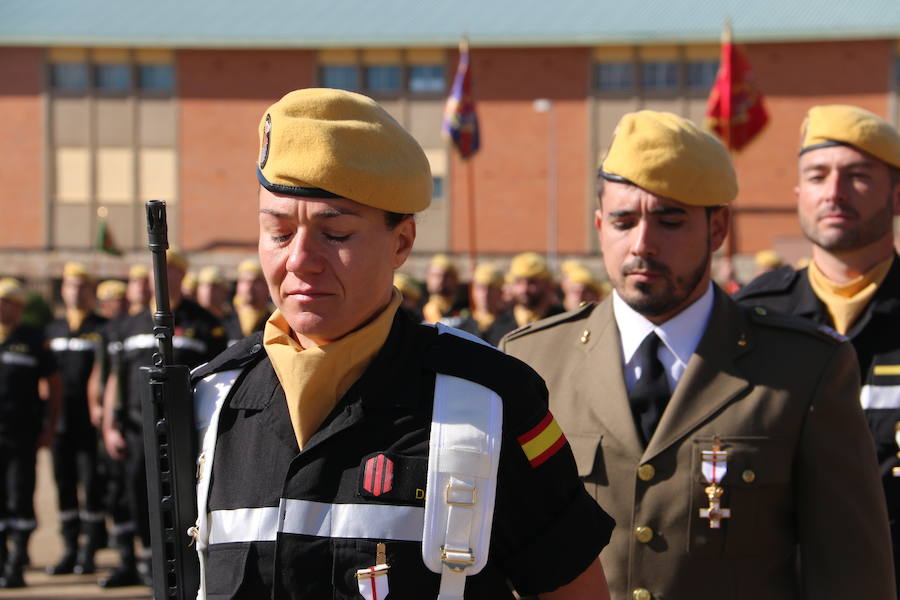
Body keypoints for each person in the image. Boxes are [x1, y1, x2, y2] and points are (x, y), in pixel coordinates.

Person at [188, 88, 613, 600]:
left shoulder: (489, 400)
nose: (299, 260)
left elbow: (572, 588)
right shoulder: (211, 401)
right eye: (278, 233)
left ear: (402, 242)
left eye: (336, 235)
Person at [502, 110, 896, 599]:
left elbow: (850, 571)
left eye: (670, 221)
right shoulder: (532, 361)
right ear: (600, 225)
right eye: (623, 221)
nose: (642, 244)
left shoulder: (803, 369)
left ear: (717, 229)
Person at [737, 104, 900, 590]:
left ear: (896, 194)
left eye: (857, 176)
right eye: (817, 175)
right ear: (798, 194)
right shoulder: (753, 318)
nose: (834, 192)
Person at [102, 249, 226, 586]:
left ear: (182, 277)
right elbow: (116, 376)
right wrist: (109, 426)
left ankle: (184, 563)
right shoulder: (131, 323)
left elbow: (219, 379)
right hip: (135, 427)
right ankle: (145, 561)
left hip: (185, 430)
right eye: (159, 271)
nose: (164, 277)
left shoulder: (204, 322)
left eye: (171, 271)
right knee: (136, 493)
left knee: (183, 496)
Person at [44, 263, 108, 576]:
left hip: (90, 425)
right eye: (70, 286)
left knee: (92, 486)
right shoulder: (53, 329)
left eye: (82, 286)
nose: (75, 292)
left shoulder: (103, 328)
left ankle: (91, 551)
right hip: (61, 423)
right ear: (62, 291)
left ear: (91, 292)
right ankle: (69, 548)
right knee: (63, 485)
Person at [0, 278, 61, 588]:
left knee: (20, 494)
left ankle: (16, 562)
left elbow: (53, 385)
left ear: (19, 307)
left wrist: (49, 427)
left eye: (7, 301)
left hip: (22, 434)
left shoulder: (33, 339)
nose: (2, 306)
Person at [485, 252, 564, 346]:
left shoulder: (562, 322)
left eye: (532, 282)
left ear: (547, 285)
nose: (524, 289)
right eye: (518, 282)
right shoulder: (498, 326)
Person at [421, 254, 478, 334]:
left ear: (455, 279)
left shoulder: (467, 309)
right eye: (435, 275)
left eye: (446, 276)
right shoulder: (416, 310)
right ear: (427, 278)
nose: (440, 280)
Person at [223, 259, 270, 346]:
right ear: (237, 286)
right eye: (244, 281)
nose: (249, 286)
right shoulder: (224, 319)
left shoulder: (274, 323)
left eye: (256, 281)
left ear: (267, 287)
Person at [470, 263, 506, 338]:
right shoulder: (462, 329)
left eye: (491, 288)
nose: (485, 294)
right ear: (473, 291)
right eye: (481, 288)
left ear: (500, 292)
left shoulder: (512, 328)